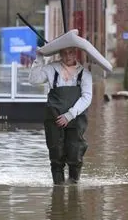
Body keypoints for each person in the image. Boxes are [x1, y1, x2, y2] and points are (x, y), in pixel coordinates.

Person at [29, 47, 93, 185]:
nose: (67, 56)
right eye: (64, 53)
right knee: (56, 154)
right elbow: (33, 80)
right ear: (60, 53)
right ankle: (57, 189)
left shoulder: (85, 74)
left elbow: (86, 98)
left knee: (75, 153)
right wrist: (39, 57)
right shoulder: (52, 69)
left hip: (76, 118)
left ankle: (73, 187)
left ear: (75, 53)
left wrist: (69, 115)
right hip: (54, 117)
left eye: (70, 52)